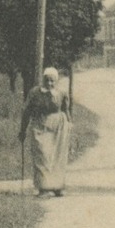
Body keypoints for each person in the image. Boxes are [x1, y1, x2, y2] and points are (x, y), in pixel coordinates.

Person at [20, 67, 71, 197]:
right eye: (47, 80)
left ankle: (57, 187)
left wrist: (69, 125)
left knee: (57, 156)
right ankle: (44, 188)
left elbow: (66, 109)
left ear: (56, 81)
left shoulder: (61, 92)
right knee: (42, 154)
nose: (49, 84)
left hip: (58, 126)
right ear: (42, 80)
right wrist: (22, 130)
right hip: (39, 124)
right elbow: (26, 111)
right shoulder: (35, 93)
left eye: (52, 81)